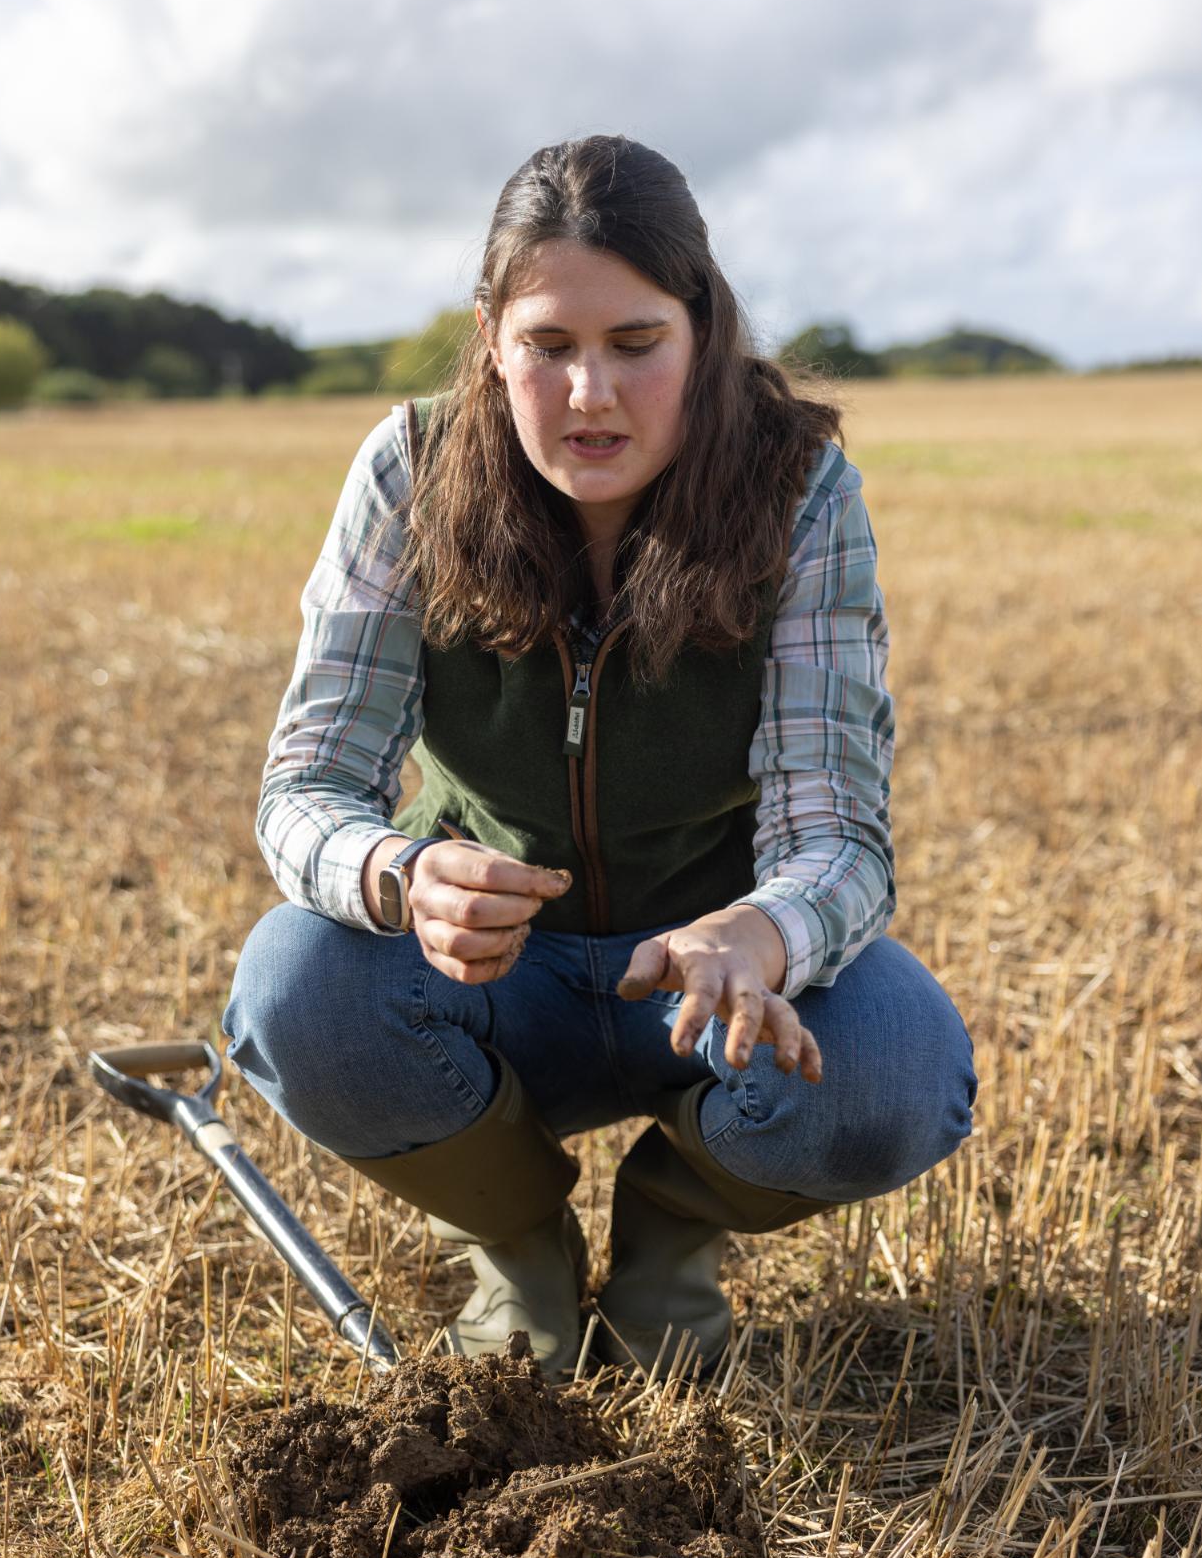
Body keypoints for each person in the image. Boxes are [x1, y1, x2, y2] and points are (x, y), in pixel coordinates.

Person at [222, 134, 977, 1381]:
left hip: (708, 994)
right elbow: (306, 786)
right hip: (489, 981)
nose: (591, 395)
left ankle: (668, 1244)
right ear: (490, 339)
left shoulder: (801, 489)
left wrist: (763, 933)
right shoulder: (407, 472)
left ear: (702, 327)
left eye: (636, 345)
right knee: (294, 990)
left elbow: (838, 829)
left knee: (899, 1068)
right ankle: (520, 1249)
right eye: (549, 348)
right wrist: (402, 877)